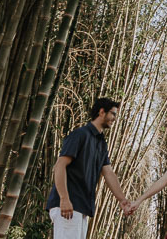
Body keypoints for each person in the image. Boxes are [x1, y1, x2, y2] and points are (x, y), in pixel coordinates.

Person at [46, 97, 131, 238]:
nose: (115, 118)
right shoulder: (80, 135)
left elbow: (108, 173)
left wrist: (122, 199)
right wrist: (64, 199)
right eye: (113, 114)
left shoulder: (101, 143)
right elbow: (60, 165)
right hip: (68, 205)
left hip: (81, 206)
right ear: (102, 112)